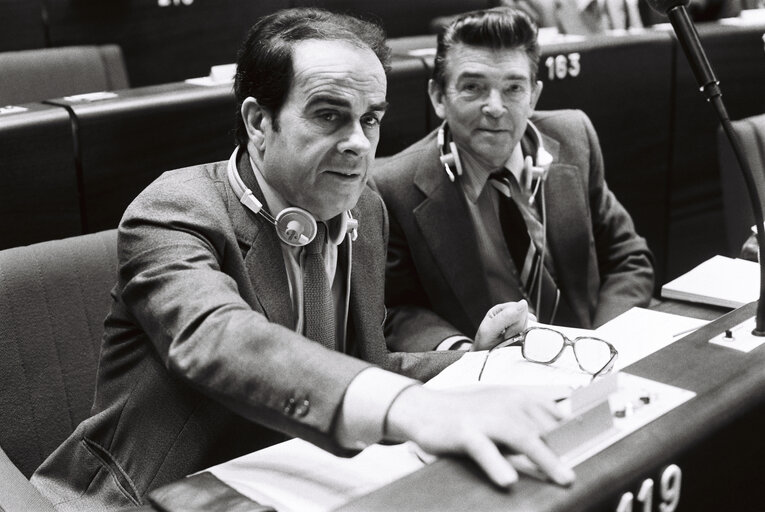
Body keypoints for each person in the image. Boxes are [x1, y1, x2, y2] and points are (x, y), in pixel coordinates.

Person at [30, 8, 574, 511]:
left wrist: (477, 363)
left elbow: (365, 366)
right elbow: (218, 338)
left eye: (371, 119)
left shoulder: (364, 206)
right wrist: (415, 408)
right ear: (258, 121)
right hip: (146, 497)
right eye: (330, 116)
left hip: (287, 481)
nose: (359, 144)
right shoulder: (174, 209)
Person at [374, 7, 654, 354]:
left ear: (533, 96)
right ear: (438, 97)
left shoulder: (575, 138)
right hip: (487, 377)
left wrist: (601, 344)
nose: (495, 107)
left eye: (513, 88)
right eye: (473, 87)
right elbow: (395, 310)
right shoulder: (391, 186)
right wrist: (464, 353)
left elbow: (628, 257)